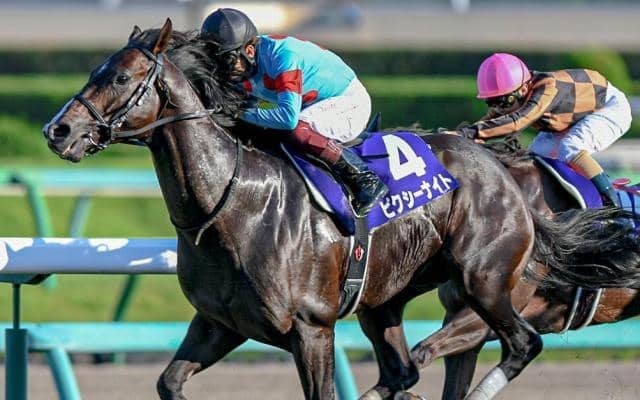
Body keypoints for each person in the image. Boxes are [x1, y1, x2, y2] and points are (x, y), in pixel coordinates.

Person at [200, 8, 388, 217]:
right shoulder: (243, 65)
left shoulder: (283, 57)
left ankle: (364, 178)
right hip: (310, 106)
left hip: (349, 103)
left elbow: (287, 118)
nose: (223, 71)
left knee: (298, 129)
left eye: (227, 61)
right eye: (216, 63)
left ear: (249, 51)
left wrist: (238, 113)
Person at [457, 52, 633, 207]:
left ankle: (612, 203)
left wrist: (469, 133)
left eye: (503, 101)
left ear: (523, 89)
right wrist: (462, 135)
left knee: (571, 146)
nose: (498, 108)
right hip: (576, 118)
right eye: (491, 101)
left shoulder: (547, 88)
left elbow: (517, 122)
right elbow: (491, 121)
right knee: (536, 155)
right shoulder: (515, 93)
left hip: (610, 108)